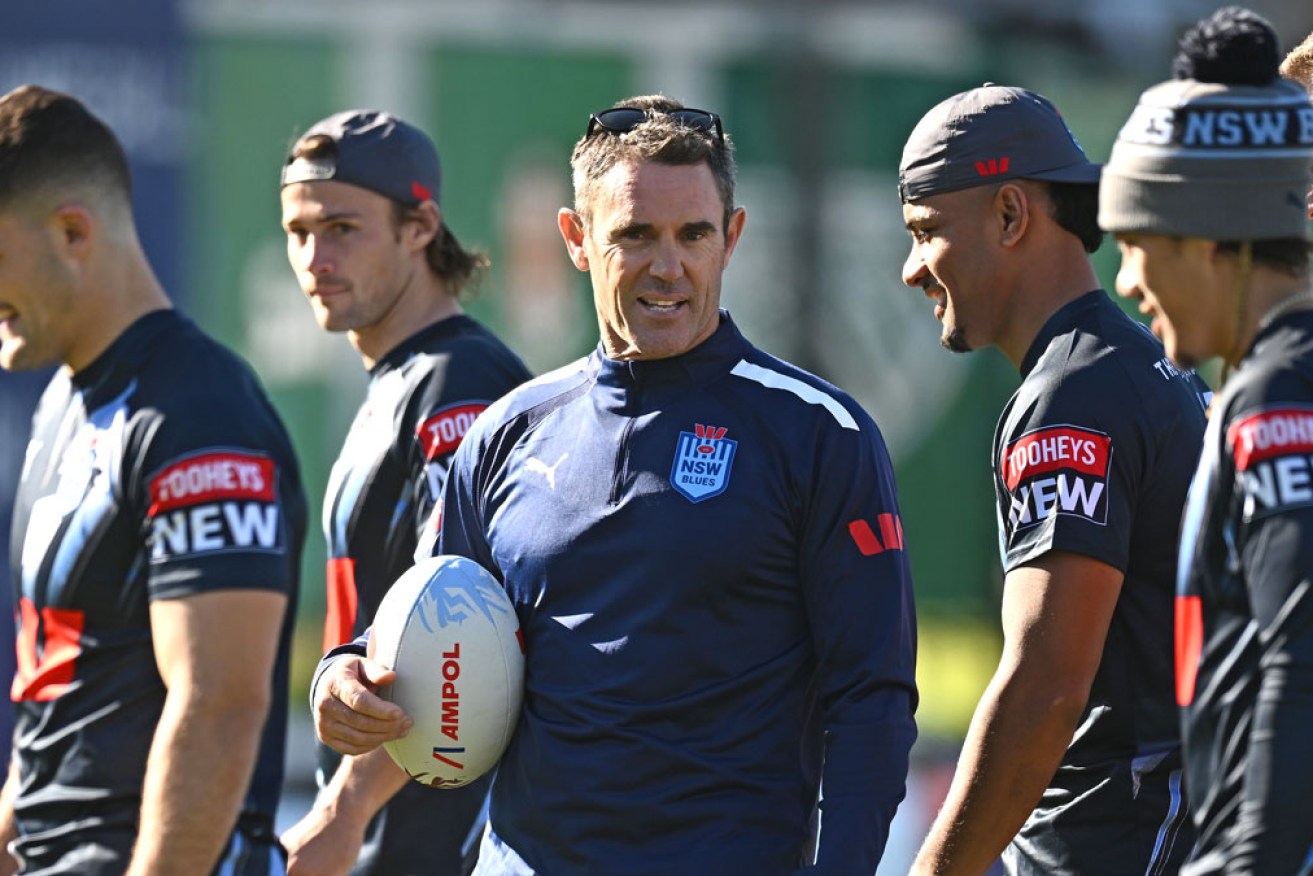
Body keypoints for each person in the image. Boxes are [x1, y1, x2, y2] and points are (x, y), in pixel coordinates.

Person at [309, 95, 919, 874]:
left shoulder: (819, 433)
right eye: (635, 235)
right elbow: (427, 620)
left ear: (730, 238)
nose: (669, 266)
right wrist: (345, 676)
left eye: (692, 234)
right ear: (576, 239)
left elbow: (871, 700)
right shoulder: (504, 435)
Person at [898, 84, 1206, 874]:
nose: (911, 270)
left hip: (1125, 842)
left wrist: (936, 869)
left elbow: (1046, 686)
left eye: (926, 231)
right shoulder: (1138, 368)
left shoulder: (1073, 396)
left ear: (1009, 214)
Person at [0, 84, 306, 874]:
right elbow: (53, 699)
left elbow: (219, 706)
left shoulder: (197, 414)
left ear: (72, 231)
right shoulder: (64, 403)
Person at [276, 110, 531, 876]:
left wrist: (343, 809)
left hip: (440, 837)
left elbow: (453, 626)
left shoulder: (462, 386)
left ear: (420, 226)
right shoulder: (404, 380)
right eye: (298, 232)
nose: (315, 257)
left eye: (342, 228)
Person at [1099, 7, 1313, 872]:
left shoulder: (1276, 394)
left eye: (1136, 245)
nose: (1126, 282)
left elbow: (1295, 664)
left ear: (1203, 241)